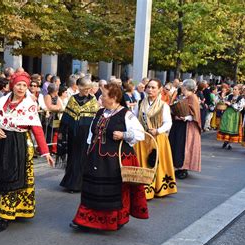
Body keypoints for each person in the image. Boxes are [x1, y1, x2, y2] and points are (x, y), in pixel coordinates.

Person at [69, 83, 148, 231]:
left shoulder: (126, 114)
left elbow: (140, 134)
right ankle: (85, 219)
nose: (100, 98)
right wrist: (88, 150)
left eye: (103, 95)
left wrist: (124, 135)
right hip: (96, 158)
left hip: (115, 161)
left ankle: (113, 219)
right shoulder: (100, 113)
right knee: (91, 188)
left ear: (113, 98)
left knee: (112, 190)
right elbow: (91, 134)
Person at [0, 71, 54, 232]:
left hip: (18, 142)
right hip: (1, 143)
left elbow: (37, 129)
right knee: (0, 174)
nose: (21, 88)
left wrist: (45, 152)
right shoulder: (2, 101)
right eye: (18, 84)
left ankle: (5, 216)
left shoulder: (29, 104)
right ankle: (1, 208)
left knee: (13, 177)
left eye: (24, 85)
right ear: (12, 85)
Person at [135, 79, 177, 200]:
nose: (150, 90)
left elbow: (168, 123)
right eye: (149, 87)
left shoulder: (164, 106)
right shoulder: (140, 103)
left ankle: (158, 188)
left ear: (159, 90)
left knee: (156, 163)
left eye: (153, 88)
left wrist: (157, 130)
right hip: (142, 139)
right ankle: (144, 189)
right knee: (143, 164)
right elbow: (134, 119)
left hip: (158, 138)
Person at [58, 77, 99, 192]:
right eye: (85, 89)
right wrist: (63, 131)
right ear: (79, 87)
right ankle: (71, 183)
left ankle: (82, 183)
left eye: (89, 89)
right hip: (73, 134)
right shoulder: (73, 99)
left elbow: (96, 118)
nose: (87, 91)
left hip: (87, 134)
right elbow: (66, 117)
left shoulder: (93, 100)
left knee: (84, 158)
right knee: (73, 157)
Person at [169, 79, 202, 179]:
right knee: (176, 144)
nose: (181, 88)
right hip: (179, 124)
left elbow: (195, 113)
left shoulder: (193, 97)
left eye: (182, 86)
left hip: (187, 126)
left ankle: (183, 168)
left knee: (183, 146)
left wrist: (185, 117)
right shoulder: (184, 97)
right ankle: (178, 166)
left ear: (186, 87)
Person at [216, 85, 245, 149]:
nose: (233, 91)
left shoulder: (241, 98)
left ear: (239, 91)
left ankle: (230, 143)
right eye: (233, 89)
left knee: (232, 128)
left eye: (235, 89)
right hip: (227, 113)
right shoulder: (230, 95)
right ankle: (226, 141)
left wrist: (231, 104)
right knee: (226, 126)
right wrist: (222, 97)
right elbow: (223, 101)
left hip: (234, 114)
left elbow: (239, 107)